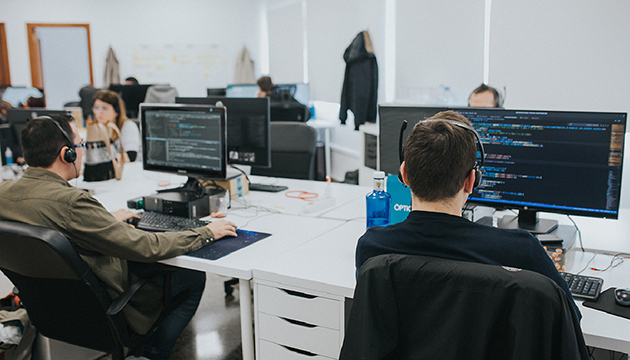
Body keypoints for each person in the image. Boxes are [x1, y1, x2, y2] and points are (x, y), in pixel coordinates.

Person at [0, 114, 238, 360]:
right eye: (80, 146)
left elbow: (48, 219)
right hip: (105, 305)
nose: (82, 153)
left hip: (52, 309)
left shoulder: (3, 194)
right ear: (66, 154)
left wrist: (103, 221)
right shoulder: (72, 203)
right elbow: (147, 247)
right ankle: (151, 354)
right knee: (193, 277)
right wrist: (206, 232)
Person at [355, 110, 579, 317]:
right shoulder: (522, 251)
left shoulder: (373, 247)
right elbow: (569, 320)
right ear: (472, 181)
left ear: (403, 174)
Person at [92, 89, 141, 162]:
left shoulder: (128, 126)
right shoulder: (97, 128)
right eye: (96, 107)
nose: (99, 112)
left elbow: (130, 156)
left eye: (105, 108)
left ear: (116, 111)